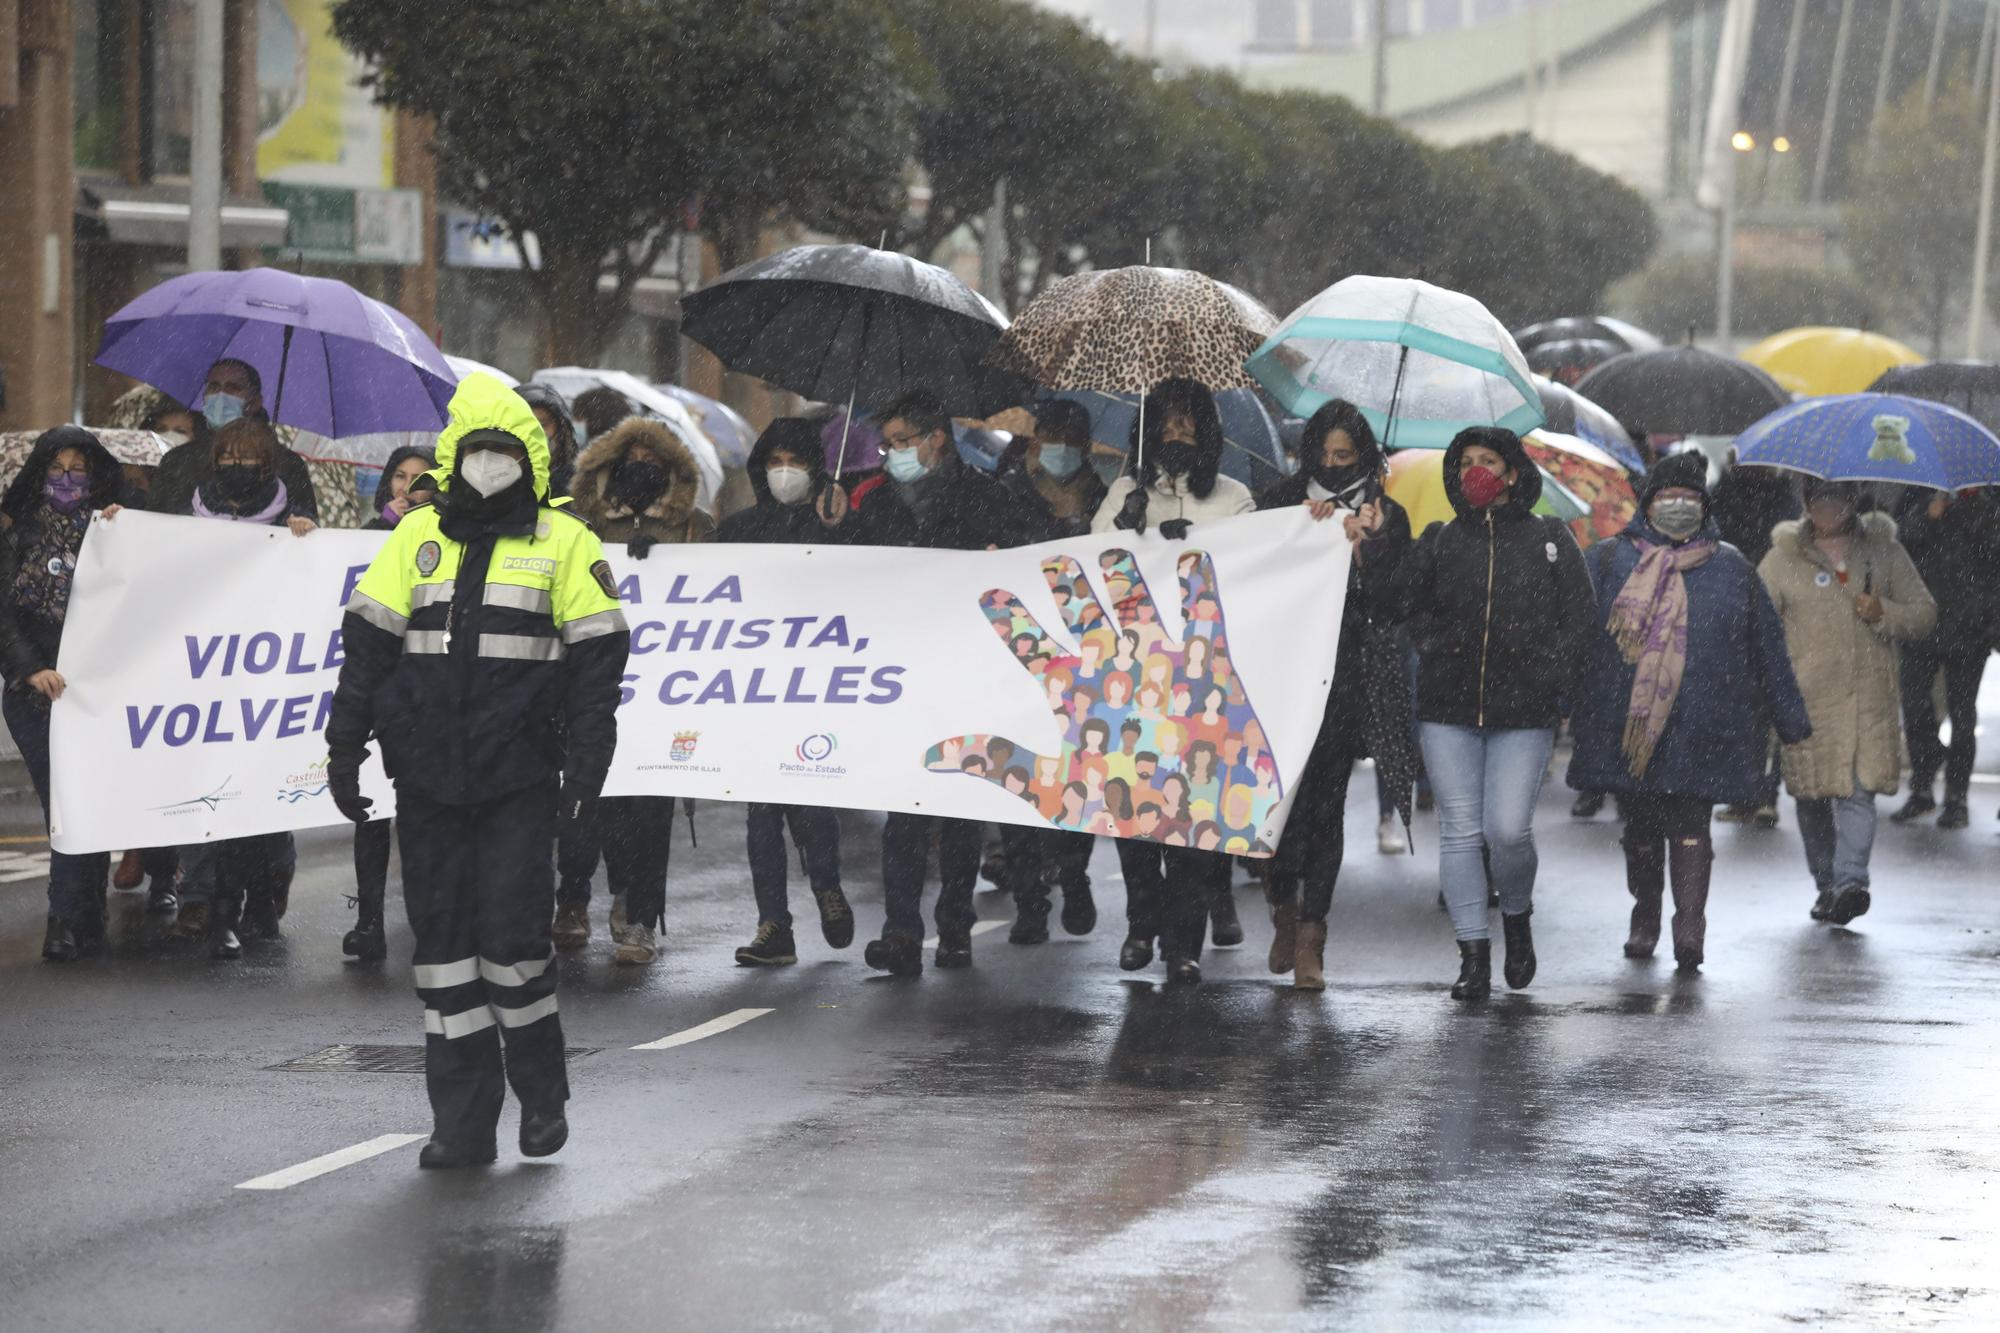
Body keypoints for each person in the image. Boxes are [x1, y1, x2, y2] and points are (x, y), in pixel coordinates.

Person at [327, 373, 628, 1169]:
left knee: (512, 945)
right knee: (444, 954)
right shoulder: (415, 538)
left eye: (503, 453)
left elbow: (598, 678)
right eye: (476, 453)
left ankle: (540, 1095)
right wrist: (344, 744)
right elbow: (365, 651)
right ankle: (460, 1124)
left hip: (517, 782)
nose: (488, 467)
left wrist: (584, 779)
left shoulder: (566, 543)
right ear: (454, 458)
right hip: (427, 779)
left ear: (529, 461)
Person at [1566, 452, 1811, 971]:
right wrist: (1558, 704)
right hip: (1627, 724)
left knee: (1691, 821)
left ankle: (1689, 923)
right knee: (1640, 829)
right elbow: (1574, 638)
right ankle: (1646, 912)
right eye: (1668, 498)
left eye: (1690, 499)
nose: (1679, 507)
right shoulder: (1609, 561)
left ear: (1705, 506)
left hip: (1705, 721)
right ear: (1648, 504)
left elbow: (1766, 646)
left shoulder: (1731, 567)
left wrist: (1791, 719)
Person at [823, 389, 1032, 976]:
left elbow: (1025, 564)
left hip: (968, 674)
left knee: (959, 808)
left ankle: (955, 925)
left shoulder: (988, 498)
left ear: (935, 437)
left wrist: (1000, 558)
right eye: (887, 445)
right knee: (906, 811)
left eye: (900, 442)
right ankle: (901, 931)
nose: (891, 454)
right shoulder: (877, 503)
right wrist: (837, 525)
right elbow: (849, 574)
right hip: (905, 675)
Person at [1400, 426, 1595, 1002]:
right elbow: (1408, 605)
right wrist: (1438, 641)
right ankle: (1473, 956)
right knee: (1460, 833)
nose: (1474, 471)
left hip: (1524, 710)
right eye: (1464, 461)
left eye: (1487, 461)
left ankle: (1516, 913)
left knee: (1506, 831)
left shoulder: (1549, 539)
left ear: (1512, 473)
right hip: (1448, 706)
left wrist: (1551, 677)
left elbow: (1581, 621)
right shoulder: (1439, 540)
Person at [1090, 377, 1255, 986]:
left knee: (1191, 819)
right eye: (1166, 421)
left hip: (1207, 685)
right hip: (1136, 683)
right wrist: (1128, 525)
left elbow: (1254, 569)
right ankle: (1142, 922)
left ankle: (1183, 941)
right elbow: (1096, 564)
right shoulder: (1124, 493)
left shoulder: (1235, 498)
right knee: (1134, 814)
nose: (1176, 431)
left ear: (1207, 432)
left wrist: (1202, 555)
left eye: (1189, 421)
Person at [1253, 400, 1412, 990]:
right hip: (1278, 682)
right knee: (1275, 810)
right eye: (1323, 454)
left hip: (1344, 684)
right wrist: (1300, 533)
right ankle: (1282, 906)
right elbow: (1254, 582)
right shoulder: (1277, 502)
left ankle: (1313, 933)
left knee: (1326, 809)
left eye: (1344, 456)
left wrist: (1364, 548)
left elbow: (1396, 603)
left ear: (1364, 456)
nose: (1332, 464)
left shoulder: (1386, 515)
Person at [557, 414, 715, 965]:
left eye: (654, 464)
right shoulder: (578, 526)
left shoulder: (698, 529)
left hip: (664, 694)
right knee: (583, 800)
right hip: (592, 685)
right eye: (632, 462)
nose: (641, 471)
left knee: (647, 811)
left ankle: (639, 916)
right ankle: (571, 899)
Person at [157, 419, 316, 957]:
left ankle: (271, 886)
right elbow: (154, 561)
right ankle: (204, 898)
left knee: (265, 789)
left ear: (270, 464)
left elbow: (311, 581)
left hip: (266, 676)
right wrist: (119, 526)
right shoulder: (190, 509)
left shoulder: (293, 506)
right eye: (228, 456)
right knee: (206, 785)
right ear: (212, 459)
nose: (238, 466)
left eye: (250, 458)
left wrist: (305, 536)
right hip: (206, 673)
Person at [1759, 478, 1935, 927]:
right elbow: (1757, 622)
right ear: (1805, 502)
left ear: (1853, 500)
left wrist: (1884, 613)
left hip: (1867, 699)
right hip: (1808, 701)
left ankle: (1851, 883)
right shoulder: (1782, 560)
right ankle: (1827, 885)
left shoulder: (1884, 552)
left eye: (1836, 497)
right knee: (1812, 795)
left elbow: (1924, 612)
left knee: (1859, 792)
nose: (1827, 506)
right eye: (1818, 497)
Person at [712, 418, 854, 966]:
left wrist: (842, 527)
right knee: (763, 809)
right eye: (773, 463)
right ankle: (774, 922)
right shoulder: (738, 529)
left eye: (794, 462)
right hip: (756, 686)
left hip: (819, 683)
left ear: (815, 468)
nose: (784, 473)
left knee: (810, 794)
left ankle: (826, 886)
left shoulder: (835, 524)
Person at [0, 428, 127, 961]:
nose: (68, 479)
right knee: (63, 801)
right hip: (33, 692)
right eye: (57, 468)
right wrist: (30, 669)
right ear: (39, 472)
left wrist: (128, 532)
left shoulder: (115, 526)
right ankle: (65, 917)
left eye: (79, 469)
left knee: (85, 798)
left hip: (95, 689)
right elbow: (4, 612)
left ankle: (81, 911)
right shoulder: (13, 531)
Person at [993, 400, 1106, 947]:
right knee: (1022, 782)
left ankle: (1073, 871)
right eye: (1047, 435)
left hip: (1083, 657)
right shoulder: (1006, 493)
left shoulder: (1109, 498)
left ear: (1084, 446)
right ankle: (1029, 902)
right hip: (1020, 655)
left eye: (1067, 437)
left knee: (1078, 775)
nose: (1055, 446)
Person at [341, 447, 438, 963]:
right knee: (371, 809)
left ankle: (430, 918)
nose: (407, 487)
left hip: (421, 690)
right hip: (380, 686)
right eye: (398, 477)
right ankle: (369, 920)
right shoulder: (366, 537)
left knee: (421, 813)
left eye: (419, 479)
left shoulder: (440, 538)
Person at [1888, 486, 2000, 828]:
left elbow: (1993, 552)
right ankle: (1922, 783)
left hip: (1970, 627)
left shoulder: (1990, 501)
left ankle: (1957, 796)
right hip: (1923, 621)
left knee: (1963, 714)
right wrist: (1927, 515)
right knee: (1915, 705)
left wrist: (1971, 511)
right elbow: (1897, 544)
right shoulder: (1917, 493)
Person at [1709, 448, 1802, 826]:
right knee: (1748, 711)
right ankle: (1751, 793)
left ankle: (1762, 794)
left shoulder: (1776, 496)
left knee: (1765, 708)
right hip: (1741, 609)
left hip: (1769, 608)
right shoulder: (1732, 492)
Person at [148, 359, 321, 522]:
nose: (221, 395)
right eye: (214, 387)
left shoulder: (285, 463)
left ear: (254, 402)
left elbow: (304, 528)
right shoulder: (177, 460)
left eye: (233, 388)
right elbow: (152, 523)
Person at [515, 381, 581, 498]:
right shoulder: (494, 481)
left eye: (543, 424)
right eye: (525, 424)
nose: (535, 432)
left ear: (562, 430)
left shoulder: (581, 485)